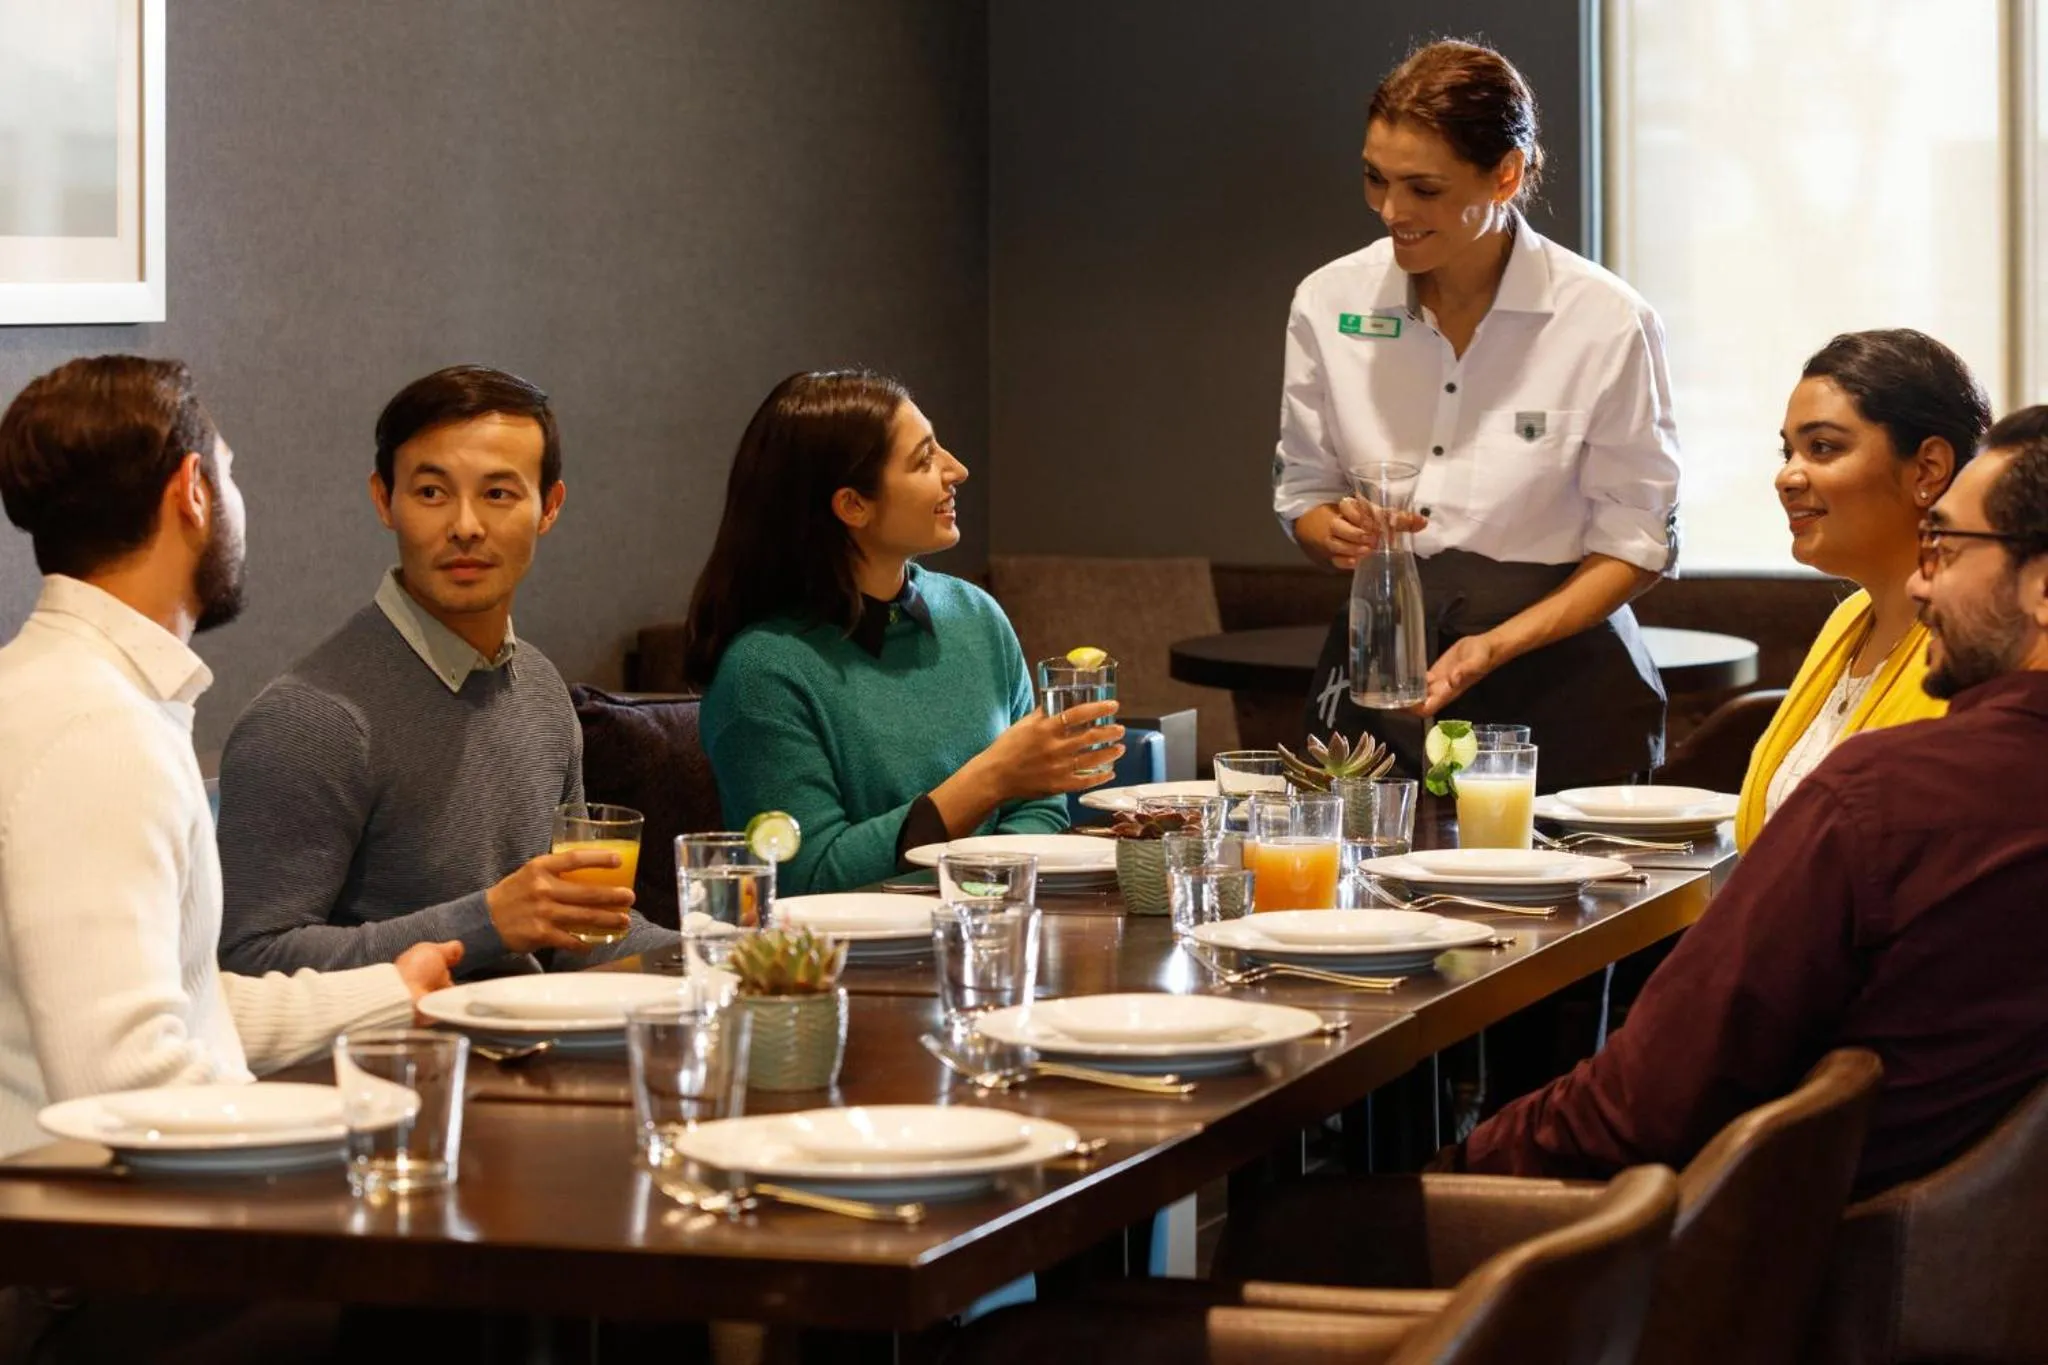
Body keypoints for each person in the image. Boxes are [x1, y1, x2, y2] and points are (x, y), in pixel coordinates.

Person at [1455, 413, 2048, 1193]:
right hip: (1966, 1243)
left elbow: (1642, 1103)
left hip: (1763, 1239)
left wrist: (1461, 1164)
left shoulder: (1882, 800)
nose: (1919, 578)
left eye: (1946, 545)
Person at [0, 356, 459, 1160]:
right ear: (194, 490)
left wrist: (391, 990)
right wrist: (350, 1126)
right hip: (84, 1221)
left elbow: (186, 1007)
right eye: (231, 472)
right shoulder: (97, 729)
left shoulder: (70, 691)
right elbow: (127, 1085)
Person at [1274, 39, 1680, 790]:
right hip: (1380, 670)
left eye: (1424, 189)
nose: (1391, 211)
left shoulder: (1604, 321)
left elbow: (1636, 541)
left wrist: (1494, 645)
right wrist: (1333, 530)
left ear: (1507, 175)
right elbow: (1304, 492)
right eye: (1375, 178)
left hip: (1562, 679)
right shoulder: (1328, 303)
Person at [215, 365, 673, 978]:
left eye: (498, 494)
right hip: (394, 1042)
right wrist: (486, 923)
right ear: (385, 500)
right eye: (432, 493)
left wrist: (720, 954)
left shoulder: (540, 690)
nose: (465, 526)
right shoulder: (307, 720)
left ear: (549, 507)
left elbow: (576, 929)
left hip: (534, 1034)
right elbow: (248, 961)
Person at [687, 369, 1123, 894]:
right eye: (924, 460)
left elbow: (1039, 808)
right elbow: (808, 877)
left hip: (992, 926)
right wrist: (988, 780)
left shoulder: (976, 616)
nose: (957, 470)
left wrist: (983, 899)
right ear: (853, 505)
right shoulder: (763, 672)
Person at [1734, 329, 1991, 847]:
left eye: (1823, 448)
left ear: (1928, 469)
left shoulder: (1984, 646)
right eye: (1788, 451)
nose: (1787, 477)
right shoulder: (1848, 618)